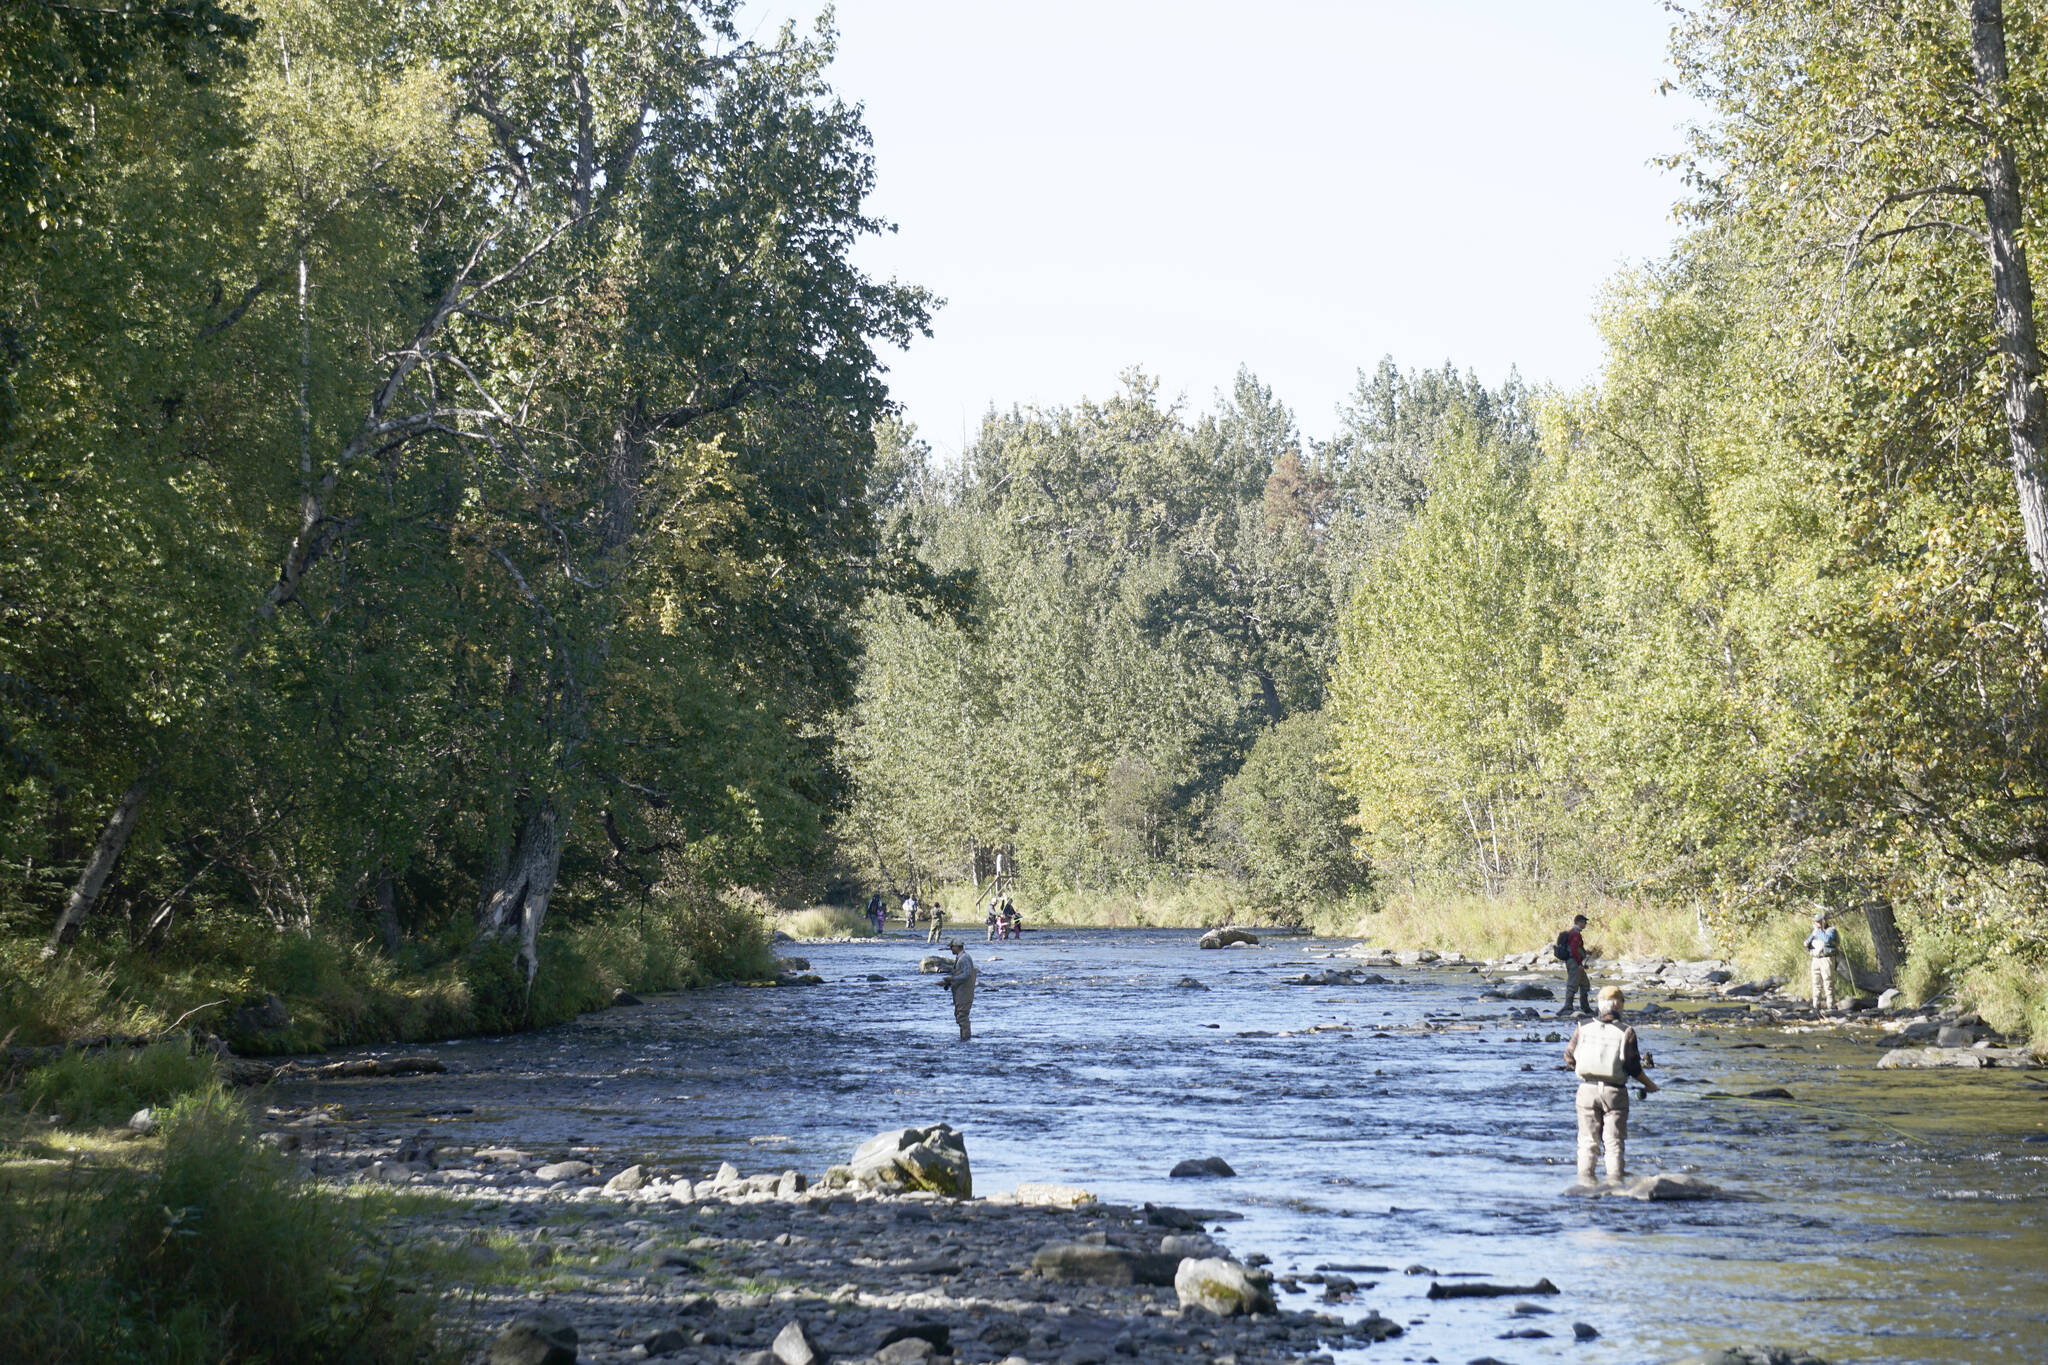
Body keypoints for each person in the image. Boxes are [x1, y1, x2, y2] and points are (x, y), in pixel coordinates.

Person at [1562, 985, 1657, 1183]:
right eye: (1622, 1003)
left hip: (1586, 1090)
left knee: (1587, 1141)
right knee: (1613, 1142)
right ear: (1616, 1004)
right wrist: (1650, 1085)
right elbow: (1633, 1067)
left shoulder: (1583, 1026)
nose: (1622, 1007)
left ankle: (1585, 1183)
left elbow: (1569, 1057)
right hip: (1615, 1093)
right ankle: (1615, 1183)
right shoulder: (1626, 1032)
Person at [1805, 911, 1842, 1012]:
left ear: (1824, 921)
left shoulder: (1831, 930)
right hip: (1815, 959)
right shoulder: (1815, 932)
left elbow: (1828, 940)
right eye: (1815, 922)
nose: (1816, 924)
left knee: (1828, 982)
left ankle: (1831, 1005)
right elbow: (1807, 943)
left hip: (1827, 959)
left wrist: (1817, 932)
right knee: (1816, 982)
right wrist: (1807, 943)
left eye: (1818, 922)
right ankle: (1815, 1005)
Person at [941, 939, 977, 1040]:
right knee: (959, 1015)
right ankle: (964, 1038)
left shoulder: (964, 958)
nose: (951, 949)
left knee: (962, 1016)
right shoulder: (961, 958)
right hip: (960, 991)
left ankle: (965, 1039)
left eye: (952, 947)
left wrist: (952, 978)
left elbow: (967, 974)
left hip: (964, 992)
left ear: (957, 947)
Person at [1557, 914, 1591, 1016]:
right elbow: (1574, 950)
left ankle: (1585, 1007)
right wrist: (1579, 963)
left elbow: (1576, 949)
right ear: (1579, 922)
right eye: (1584, 922)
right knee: (1572, 984)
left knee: (1585, 984)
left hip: (1574, 962)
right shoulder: (1575, 934)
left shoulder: (1573, 933)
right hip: (1574, 963)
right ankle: (1568, 1006)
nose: (1585, 924)